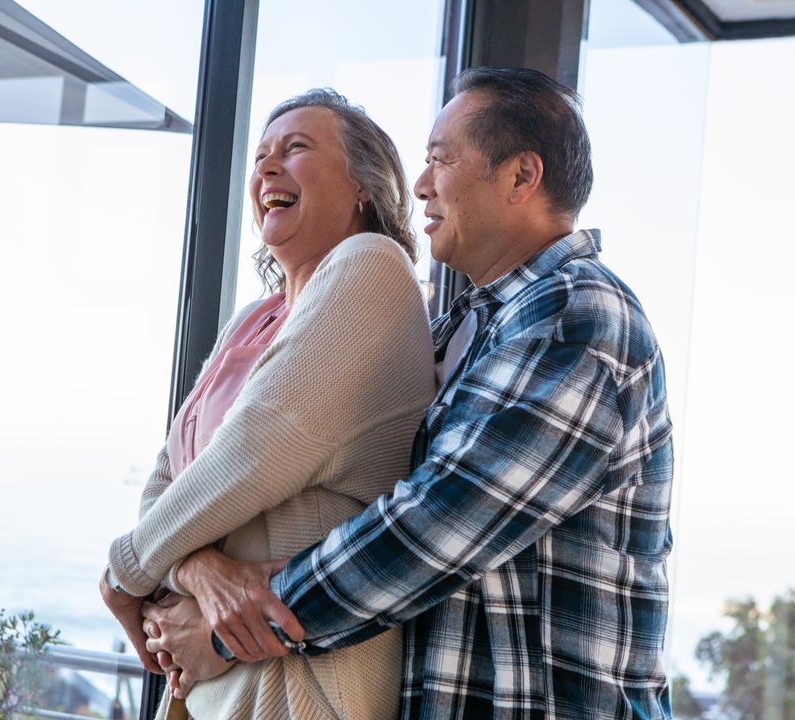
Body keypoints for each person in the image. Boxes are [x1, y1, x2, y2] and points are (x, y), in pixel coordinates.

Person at [146, 67, 676, 719]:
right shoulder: (464, 326)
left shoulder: (578, 317)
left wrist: (232, 625)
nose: (421, 184)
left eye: (440, 160)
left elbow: (439, 523)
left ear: (520, 176)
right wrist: (197, 569)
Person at [99, 88, 436, 720]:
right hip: (208, 690)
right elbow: (168, 482)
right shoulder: (254, 319)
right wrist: (196, 569)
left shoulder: (372, 267)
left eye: (297, 148)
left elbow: (257, 451)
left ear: (364, 187)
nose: (267, 169)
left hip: (300, 688)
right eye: (260, 156)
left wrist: (129, 568)